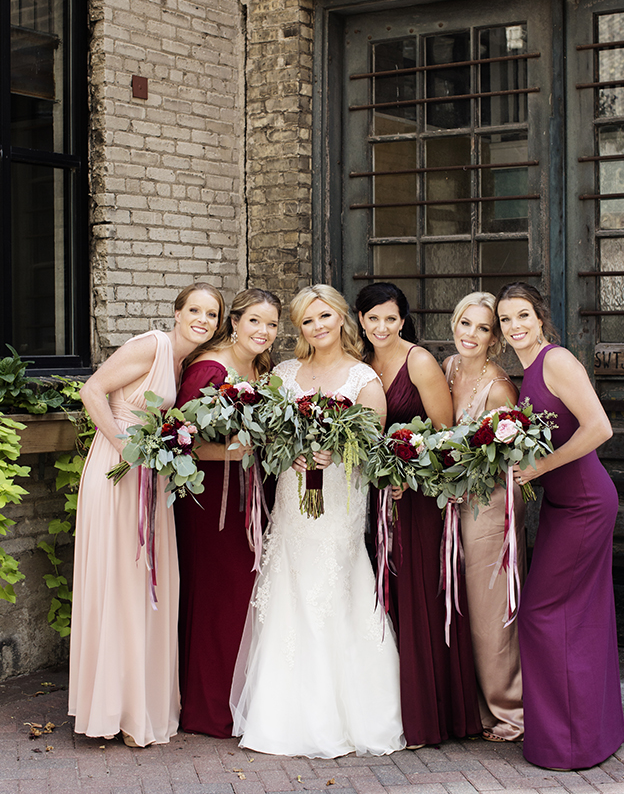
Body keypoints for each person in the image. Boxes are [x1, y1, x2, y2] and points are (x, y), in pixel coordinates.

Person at [231, 284, 405, 758]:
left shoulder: (363, 377)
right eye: (307, 320)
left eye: (325, 316)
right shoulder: (284, 374)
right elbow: (264, 438)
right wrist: (293, 455)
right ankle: (286, 713)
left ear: (342, 318)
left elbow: (373, 451)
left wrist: (337, 454)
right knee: (291, 587)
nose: (317, 326)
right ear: (299, 327)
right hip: (294, 495)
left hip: (341, 500)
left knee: (332, 588)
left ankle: (350, 714)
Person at [69, 282, 223, 747]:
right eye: (194, 310)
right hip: (118, 473)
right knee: (119, 583)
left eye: (211, 314)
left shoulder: (182, 364)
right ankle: (111, 710)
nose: (202, 319)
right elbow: (91, 390)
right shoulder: (152, 346)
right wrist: (126, 449)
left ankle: (138, 708)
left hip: (150, 478)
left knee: (143, 587)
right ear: (176, 313)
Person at [495, 282, 624, 770]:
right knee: (582, 616)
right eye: (506, 320)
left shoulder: (556, 360)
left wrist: (539, 469)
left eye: (523, 315)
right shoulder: (525, 370)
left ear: (540, 317)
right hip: (561, 505)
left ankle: (569, 742)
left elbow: (600, 428)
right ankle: (593, 732)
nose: (515, 327)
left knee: (542, 613)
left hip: (586, 503)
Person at [355, 282, 481, 748]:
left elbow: (444, 434)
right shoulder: (361, 365)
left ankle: (433, 714)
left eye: (390, 318)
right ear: (362, 321)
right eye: (372, 319)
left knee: (420, 594)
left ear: (403, 320)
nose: (382, 327)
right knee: (386, 594)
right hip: (373, 493)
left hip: (417, 496)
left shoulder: (419, 361)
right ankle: (396, 708)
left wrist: (408, 471)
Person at [175, 288, 281, 737]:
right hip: (211, 500)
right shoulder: (210, 368)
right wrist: (240, 452)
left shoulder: (262, 369)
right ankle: (206, 708)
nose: (263, 331)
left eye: (272, 324)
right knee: (219, 595)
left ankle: (238, 699)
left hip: (250, 493)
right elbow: (182, 439)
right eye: (254, 321)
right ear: (234, 322)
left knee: (244, 595)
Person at [443, 291, 525, 743]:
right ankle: (474, 707)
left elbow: (513, 461)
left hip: (487, 506)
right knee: (460, 606)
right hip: (451, 504)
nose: (471, 335)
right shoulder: (449, 368)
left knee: (490, 611)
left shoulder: (498, 387)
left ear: (495, 339)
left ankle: (511, 711)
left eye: (483, 328)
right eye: (465, 324)